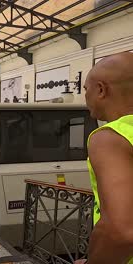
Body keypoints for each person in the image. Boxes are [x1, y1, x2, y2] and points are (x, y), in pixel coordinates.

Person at [74, 52, 133, 264]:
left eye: (85, 90)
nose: (85, 97)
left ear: (101, 89)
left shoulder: (110, 137)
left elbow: (121, 231)